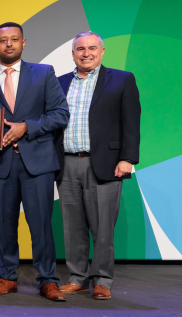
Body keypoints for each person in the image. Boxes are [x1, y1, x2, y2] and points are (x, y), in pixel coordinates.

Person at [0, 22, 69, 301]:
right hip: (1, 164)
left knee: (40, 225)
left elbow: (60, 114)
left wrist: (26, 126)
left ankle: (48, 279)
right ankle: (7, 277)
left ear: (23, 43)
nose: (9, 44)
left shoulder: (43, 73)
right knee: (5, 225)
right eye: (3, 40)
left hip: (37, 162)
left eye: (14, 39)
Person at [54, 31, 140, 300]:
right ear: (72, 54)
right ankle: (78, 278)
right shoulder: (59, 83)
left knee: (103, 227)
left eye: (92, 48)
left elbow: (131, 122)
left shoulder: (122, 79)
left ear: (102, 52)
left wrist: (128, 158)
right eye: (80, 49)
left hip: (105, 164)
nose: (86, 53)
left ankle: (102, 279)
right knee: (72, 225)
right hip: (66, 163)